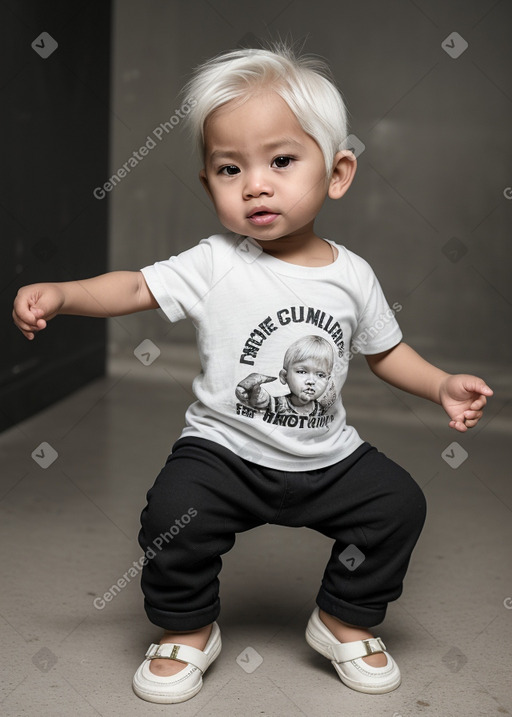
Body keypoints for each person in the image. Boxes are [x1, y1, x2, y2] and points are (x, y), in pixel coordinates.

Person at [12, 45, 493, 704]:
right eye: (229, 168)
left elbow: (385, 352)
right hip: (224, 453)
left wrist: (439, 383)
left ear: (338, 172)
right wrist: (64, 294)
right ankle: (188, 628)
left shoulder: (352, 277)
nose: (255, 184)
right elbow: (132, 288)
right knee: (171, 513)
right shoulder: (215, 260)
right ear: (208, 184)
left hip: (327, 457)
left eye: (282, 160)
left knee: (398, 504)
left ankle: (342, 618)